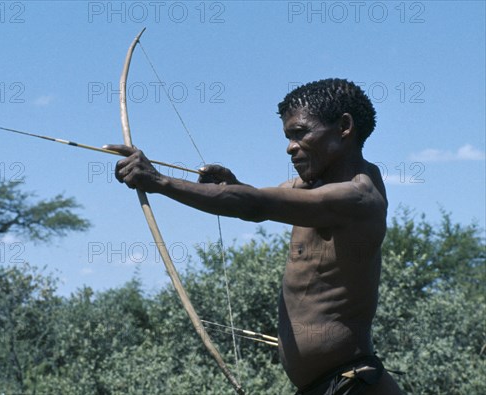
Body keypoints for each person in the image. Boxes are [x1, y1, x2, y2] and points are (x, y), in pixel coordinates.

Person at [105, 78, 403, 394]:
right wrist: (233, 185)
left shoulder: (357, 197)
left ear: (344, 126)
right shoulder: (319, 187)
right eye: (288, 137)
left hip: (351, 386)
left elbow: (256, 205)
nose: (290, 147)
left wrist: (159, 181)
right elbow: (262, 197)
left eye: (300, 134)